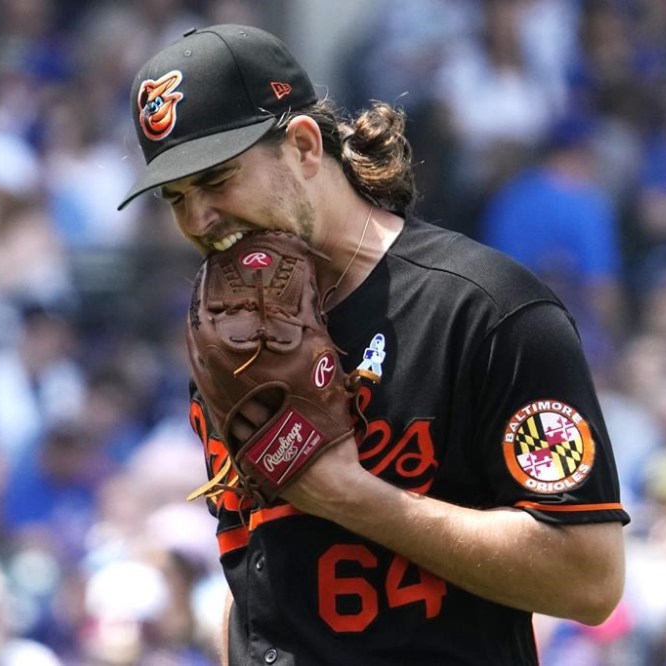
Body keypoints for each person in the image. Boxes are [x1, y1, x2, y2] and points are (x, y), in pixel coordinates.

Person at [118, 23, 629, 665]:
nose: (197, 221)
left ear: (304, 147)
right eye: (176, 198)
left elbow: (589, 578)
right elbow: (249, 572)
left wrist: (349, 496)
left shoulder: (486, 310)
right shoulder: (231, 336)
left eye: (217, 181)